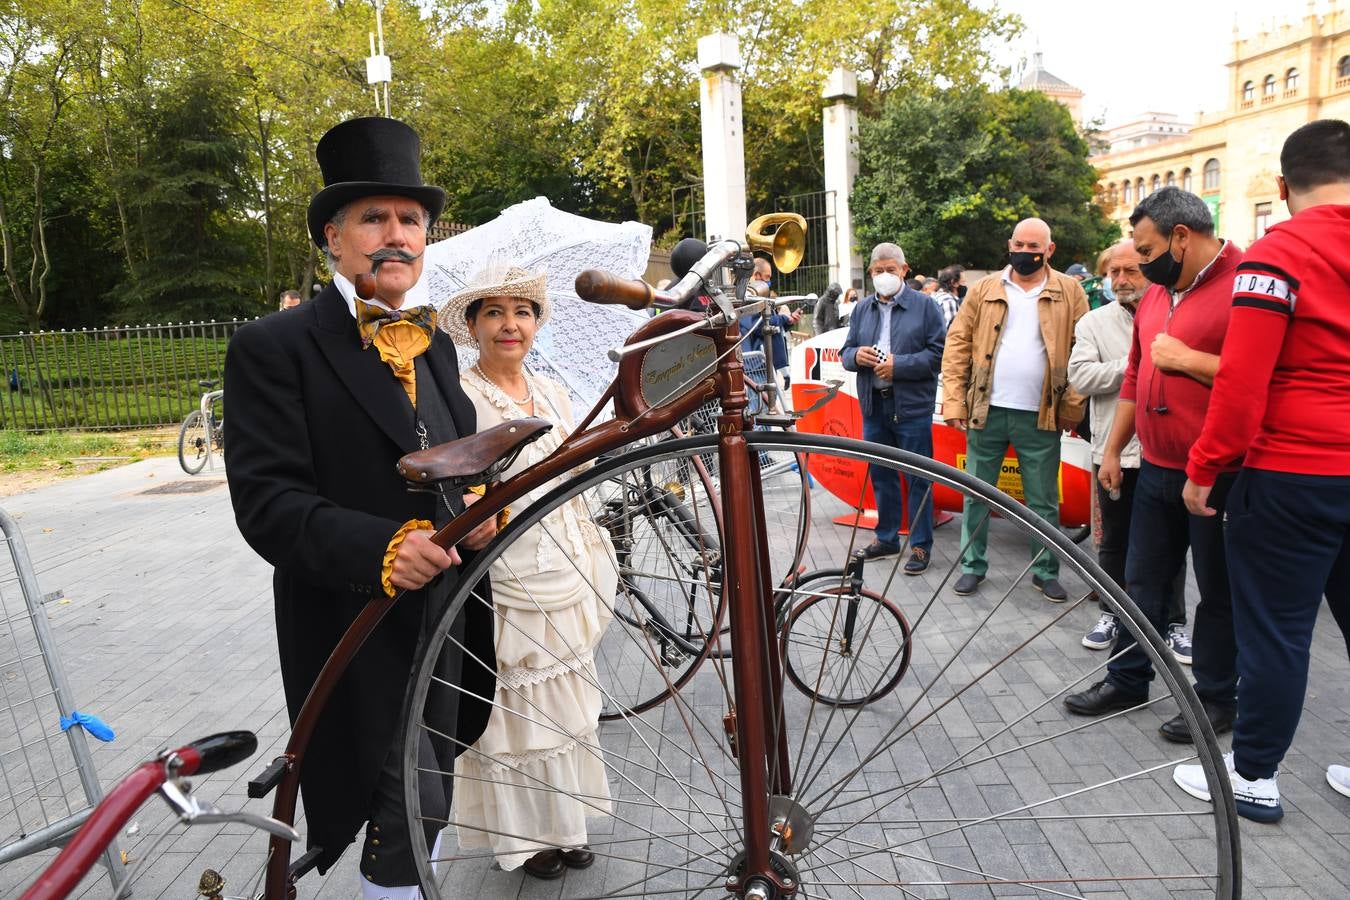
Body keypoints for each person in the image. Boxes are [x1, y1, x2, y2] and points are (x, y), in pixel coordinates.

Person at [223, 117, 497, 900]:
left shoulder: (439, 344)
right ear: (332, 238)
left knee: (433, 791)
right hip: (354, 622)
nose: (397, 235)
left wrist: (477, 510)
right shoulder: (275, 347)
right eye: (374, 218)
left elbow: (461, 457)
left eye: (410, 220)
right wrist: (382, 548)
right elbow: (268, 503)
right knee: (393, 810)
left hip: (447, 617)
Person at [1171, 120, 1350, 822]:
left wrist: (1204, 468)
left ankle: (1254, 778)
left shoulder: (1278, 254)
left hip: (1293, 471)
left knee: (1277, 630)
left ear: (1283, 186)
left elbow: (1244, 384)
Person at [438, 261, 618, 874]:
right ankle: (527, 840)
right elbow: (455, 480)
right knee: (514, 710)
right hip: (507, 569)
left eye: (521, 312)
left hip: (568, 560)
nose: (509, 325)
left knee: (568, 702)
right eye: (494, 312)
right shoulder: (460, 399)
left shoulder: (555, 391)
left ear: (537, 324)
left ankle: (567, 825)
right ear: (471, 325)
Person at [1063, 186, 1243, 745]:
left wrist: (1189, 361)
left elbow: (1255, 380)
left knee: (1215, 590)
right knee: (1140, 581)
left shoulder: (1245, 285)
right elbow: (1137, 379)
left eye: (1145, 251)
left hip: (1218, 475)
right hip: (1157, 469)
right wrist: (1113, 449)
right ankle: (1128, 678)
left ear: (1181, 237)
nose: (1139, 265)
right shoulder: (1161, 294)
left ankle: (1216, 698)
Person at [941, 218, 1088, 601]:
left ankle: (1046, 570)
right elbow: (958, 344)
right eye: (1019, 245)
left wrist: (1072, 406)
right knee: (976, 493)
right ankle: (972, 566)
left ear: (1049, 250)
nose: (1025, 253)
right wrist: (954, 400)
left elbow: (1083, 350)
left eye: (1033, 247)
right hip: (985, 409)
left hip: (1041, 413)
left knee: (1042, 498)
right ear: (1010, 245)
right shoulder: (985, 288)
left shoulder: (1070, 291)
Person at [1067, 240, 1191, 659]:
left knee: (1171, 543)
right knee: (1115, 539)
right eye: (1113, 272)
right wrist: (1137, 365)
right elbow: (1081, 377)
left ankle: (1172, 623)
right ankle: (1113, 613)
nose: (1120, 280)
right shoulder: (1094, 323)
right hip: (1114, 451)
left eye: (1130, 271)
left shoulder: (1176, 312)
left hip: (1168, 449)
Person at [841, 242, 946, 572]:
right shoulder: (861, 309)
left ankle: (920, 545)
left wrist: (900, 365)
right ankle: (886, 537)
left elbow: (937, 355)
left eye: (890, 269)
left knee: (918, 477)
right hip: (874, 405)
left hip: (912, 408)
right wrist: (856, 357)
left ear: (904, 270)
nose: (884, 275)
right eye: (878, 270)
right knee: (882, 474)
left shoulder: (925, 307)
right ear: (871, 273)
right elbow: (846, 352)